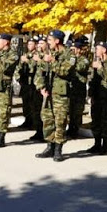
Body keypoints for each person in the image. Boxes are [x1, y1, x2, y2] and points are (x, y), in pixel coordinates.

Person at [34, 30, 76, 162]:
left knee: (60, 121)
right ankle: (49, 146)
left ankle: (58, 149)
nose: (47, 43)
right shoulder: (49, 54)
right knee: (47, 119)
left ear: (57, 41)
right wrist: (41, 87)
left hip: (61, 94)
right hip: (48, 93)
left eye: (50, 40)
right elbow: (39, 72)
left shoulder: (70, 54)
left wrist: (52, 61)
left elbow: (64, 71)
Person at [86, 41, 107, 155]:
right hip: (97, 96)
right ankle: (96, 143)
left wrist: (100, 68)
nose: (95, 51)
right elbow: (92, 79)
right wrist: (91, 93)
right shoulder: (97, 61)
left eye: (97, 48)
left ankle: (105, 145)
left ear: (104, 50)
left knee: (105, 122)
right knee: (95, 121)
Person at [67, 40, 90, 138]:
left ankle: (75, 130)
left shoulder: (84, 59)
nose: (72, 51)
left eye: (74, 49)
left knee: (77, 111)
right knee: (69, 110)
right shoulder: (70, 58)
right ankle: (70, 128)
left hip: (79, 89)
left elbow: (81, 67)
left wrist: (73, 61)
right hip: (70, 88)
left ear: (79, 50)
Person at [18, 36, 38, 130]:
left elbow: (34, 66)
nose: (29, 45)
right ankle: (27, 120)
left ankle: (33, 122)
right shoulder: (26, 54)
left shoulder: (36, 55)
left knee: (33, 104)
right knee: (25, 102)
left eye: (31, 44)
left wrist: (27, 61)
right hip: (25, 81)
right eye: (28, 44)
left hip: (33, 83)